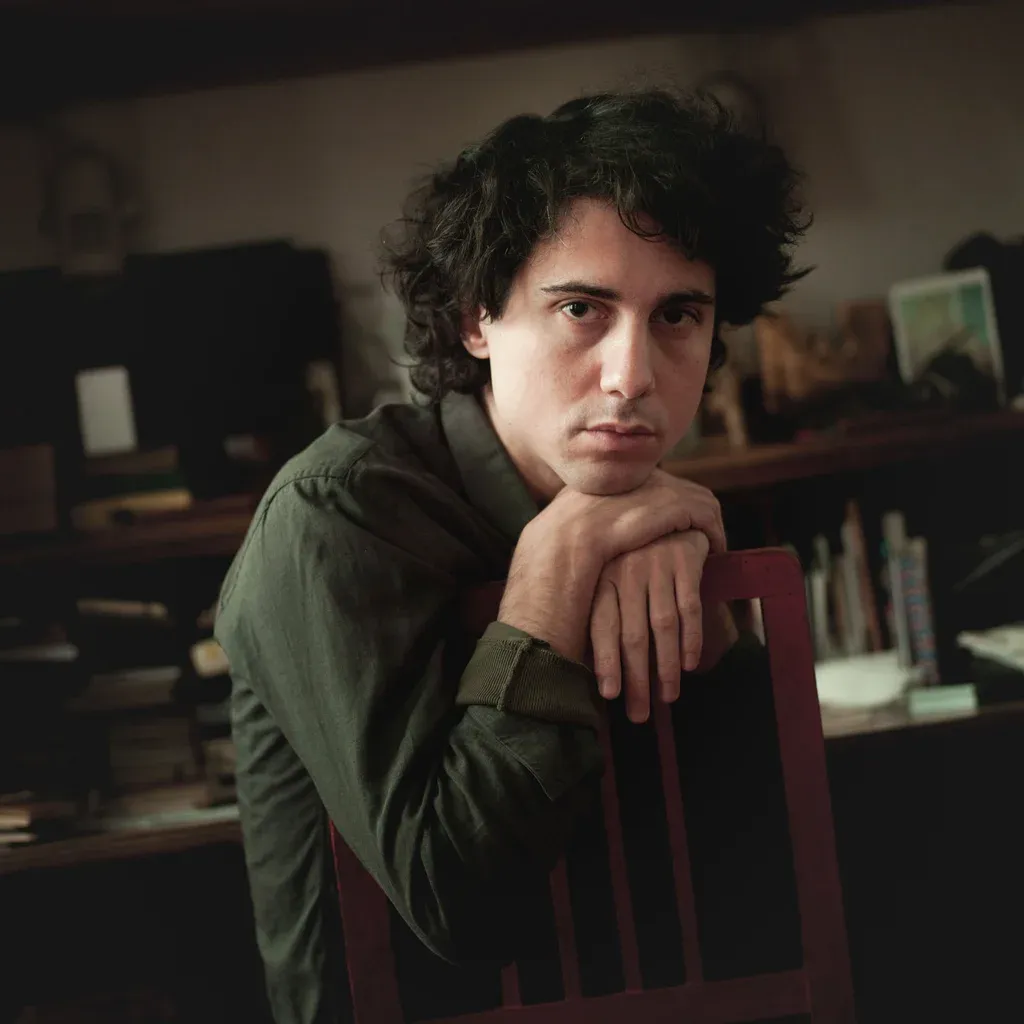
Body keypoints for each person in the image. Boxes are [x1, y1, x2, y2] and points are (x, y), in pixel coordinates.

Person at [214, 88, 809, 1024]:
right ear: (475, 318)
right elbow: (460, 905)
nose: (632, 376)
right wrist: (551, 570)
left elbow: (768, 860)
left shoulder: (651, 515)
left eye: (677, 315)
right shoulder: (339, 511)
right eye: (581, 308)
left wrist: (710, 606)